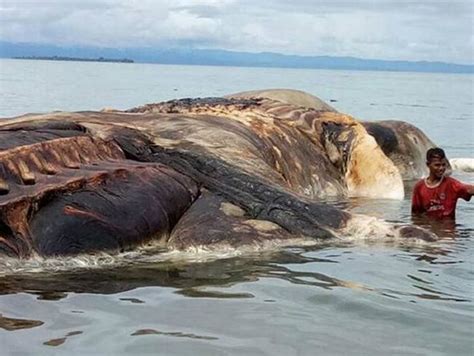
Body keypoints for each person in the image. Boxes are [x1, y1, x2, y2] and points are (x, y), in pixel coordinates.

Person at [411, 147, 473, 219]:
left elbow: (469, 189)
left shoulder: (451, 184)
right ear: (428, 164)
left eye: (443, 165)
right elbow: (415, 215)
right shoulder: (419, 187)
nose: (441, 168)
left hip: (448, 228)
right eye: (437, 165)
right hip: (428, 228)